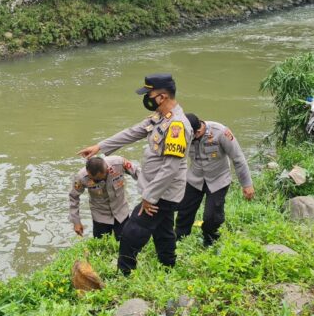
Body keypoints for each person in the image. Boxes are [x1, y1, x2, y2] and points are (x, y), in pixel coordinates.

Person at [78, 73, 192, 275]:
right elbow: (132, 132)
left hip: (162, 193)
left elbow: (170, 168)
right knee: (163, 230)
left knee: (132, 233)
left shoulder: (177, 125)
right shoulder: (159, 117)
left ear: (162, 96)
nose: (146, 98)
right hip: (159, 192)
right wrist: (100, 146)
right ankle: (169, 266)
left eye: (149, 94)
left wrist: (149, 197)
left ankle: (124, 273)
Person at [174, 113, 254, 246]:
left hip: (218, 179)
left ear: (198, 131)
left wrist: (247, 184)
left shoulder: (221, 132)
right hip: (195, 177)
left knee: (212, 217)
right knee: (184, 211)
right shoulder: (181, 133)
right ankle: (179, 241)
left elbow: (238, 158)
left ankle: (210, 242)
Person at [69, 156, 139, 240]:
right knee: (101, 246)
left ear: (106, 170)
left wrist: (150, 194)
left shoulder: (119, 163)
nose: (95, 182)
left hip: (121, 211)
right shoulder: (81, 177)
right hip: (100, 215)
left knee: (126, 242)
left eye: (98, 180)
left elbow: (138, 173)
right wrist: (76, 222)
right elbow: (73, 197)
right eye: (93, 179)